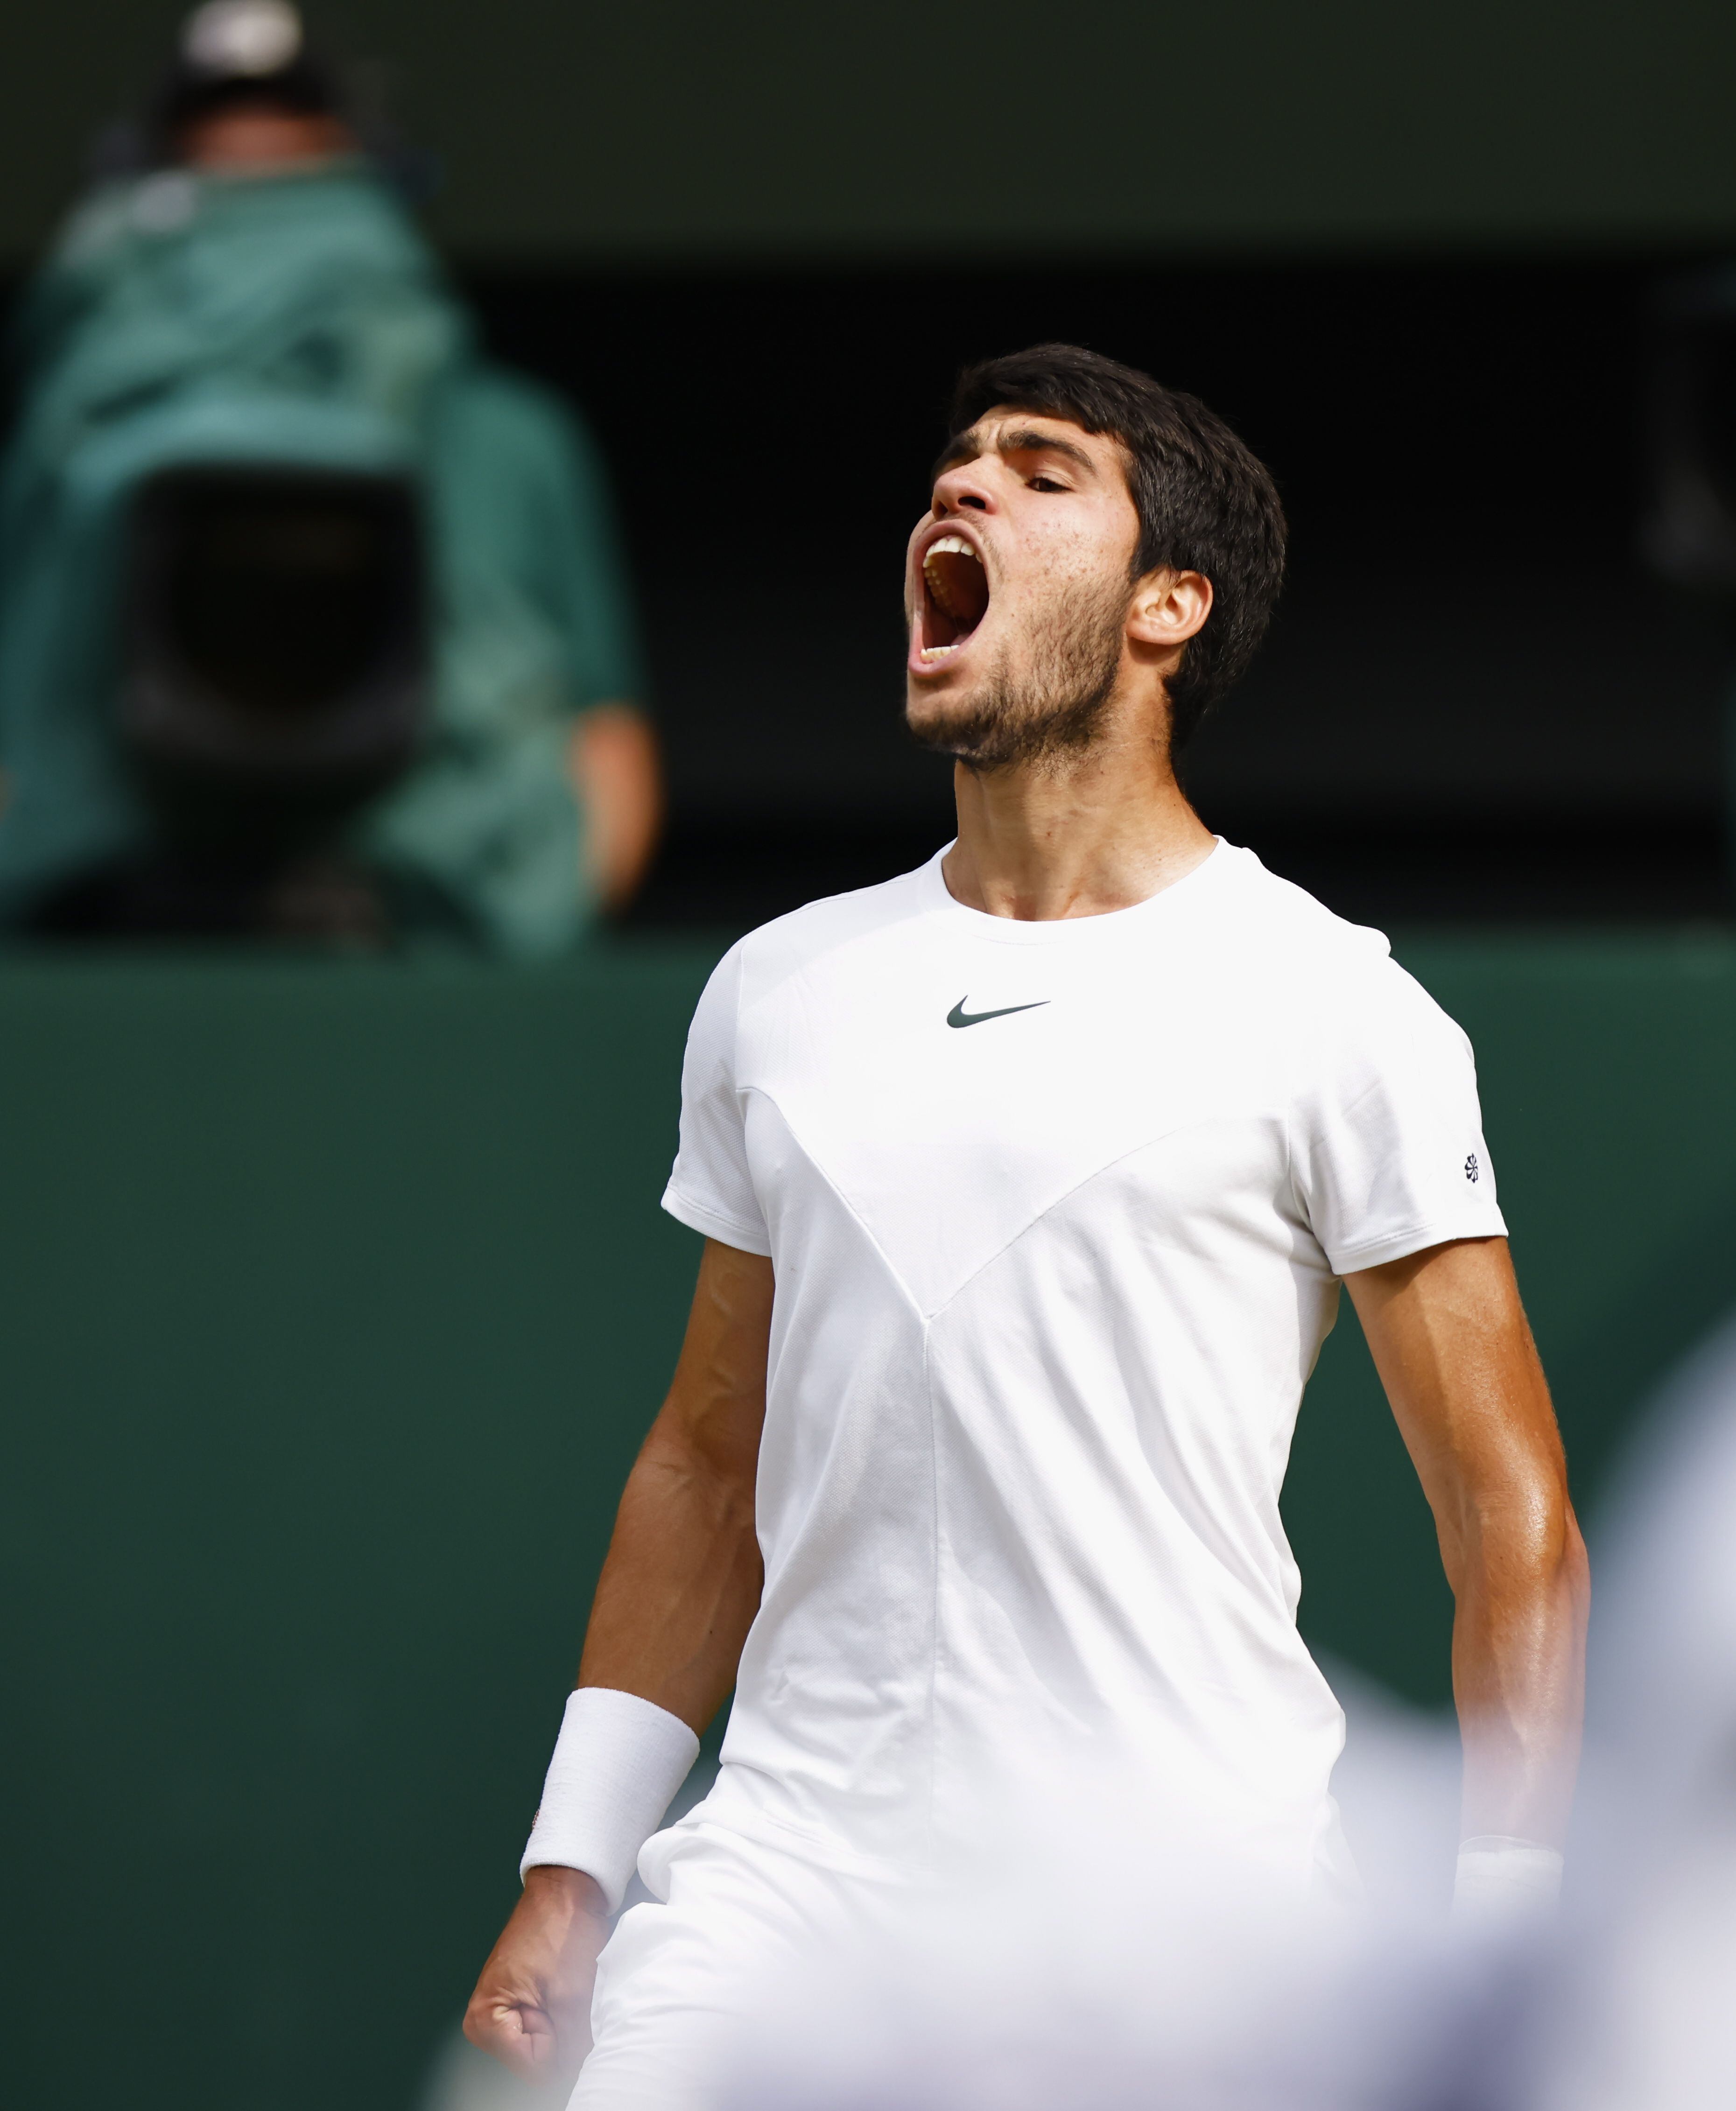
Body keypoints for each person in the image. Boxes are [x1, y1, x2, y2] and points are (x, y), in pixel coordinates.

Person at [463, 345, 1589, 2104]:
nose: (960, 489)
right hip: (784, 1882)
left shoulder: (1340, 1007)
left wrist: (1521, 1955)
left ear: (1170, 607)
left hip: (1183, 1912)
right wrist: (572, 1870)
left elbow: (1508, 1519)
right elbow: (704, 1460)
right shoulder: (780, 988)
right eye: (955, 463)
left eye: (1043, 470)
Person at [0, 1, 659, 950]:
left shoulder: (510, 439)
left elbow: (610, 762)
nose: (258, 178)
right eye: (220, 149)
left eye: (291, 146)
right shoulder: (56, 444)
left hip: (427, 965)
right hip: (122, 948)